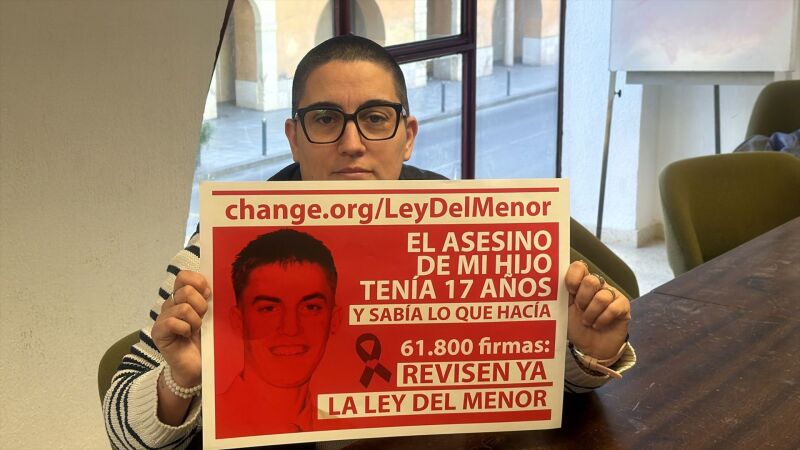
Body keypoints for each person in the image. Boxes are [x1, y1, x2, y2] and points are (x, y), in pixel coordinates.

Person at [103, 35, 635, 449]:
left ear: (408, 136)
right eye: (326, 119)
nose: (352, 144)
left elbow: (537, 387)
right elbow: (122, 430)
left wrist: (587, 355)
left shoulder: (469, 228)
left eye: (375, 118)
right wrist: (178, 384)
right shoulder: (220, 250)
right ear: (294, 137)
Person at [216, 229, 341, 436]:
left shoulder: (347, 434)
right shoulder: (202, 423)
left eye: (310, 307)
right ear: (238, 321)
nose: (291, 329)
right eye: (269, 309)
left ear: (334, 320)